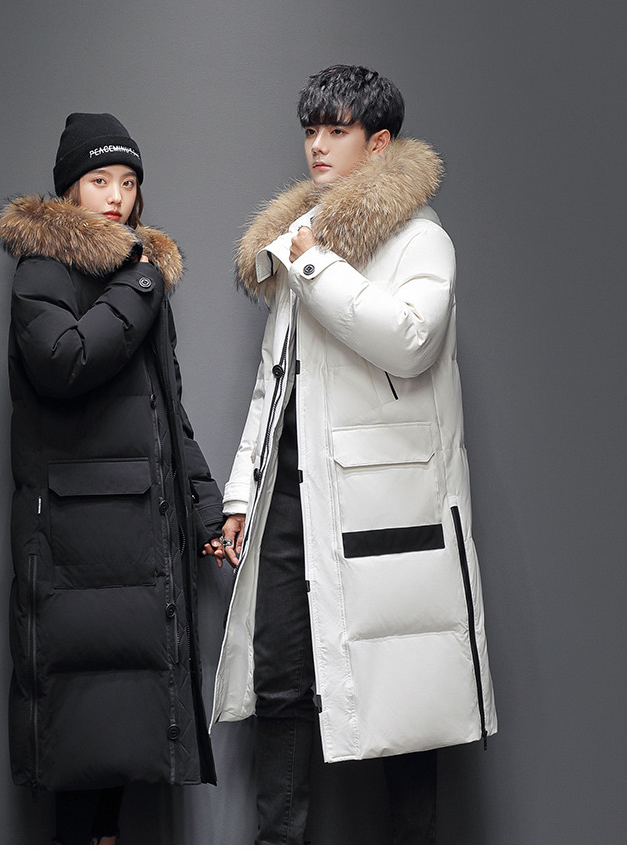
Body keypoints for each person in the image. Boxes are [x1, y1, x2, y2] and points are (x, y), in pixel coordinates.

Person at [209, 66, 498, 844]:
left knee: (405, 694)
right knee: (280, 686)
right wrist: (241, 494)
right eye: (311, 130)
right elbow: (273, 384)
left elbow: (411, 342)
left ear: (379, 143)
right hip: (291, 496)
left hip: (384, 502)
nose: (317, 146)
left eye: (336, 131)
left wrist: (313, 265)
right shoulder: (305, 238)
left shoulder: (420, 238)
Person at [0, 112, 225, 844]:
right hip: (77, 540)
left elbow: (167, 407)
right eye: (100, 180)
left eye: (128, 182)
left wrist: (203, 506)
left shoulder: (137, 274)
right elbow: (63, 361)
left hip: (139, 535)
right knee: (83, 727)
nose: (117, 197)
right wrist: (144, 282)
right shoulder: (44, 267)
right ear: (70, 188)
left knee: (122, 726)